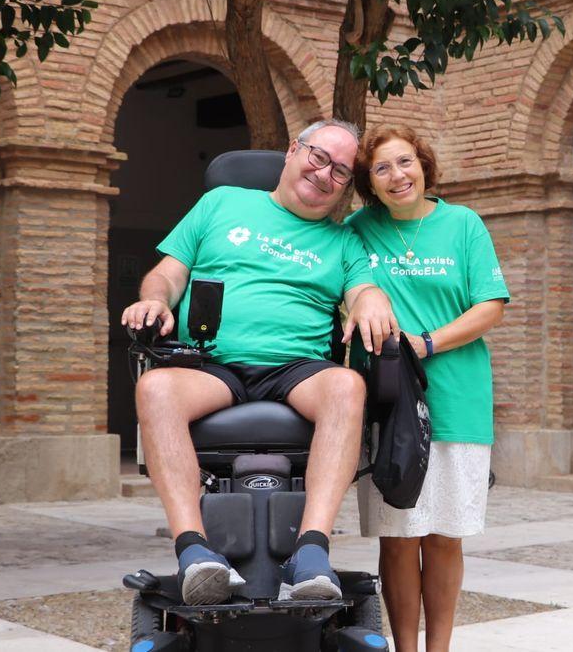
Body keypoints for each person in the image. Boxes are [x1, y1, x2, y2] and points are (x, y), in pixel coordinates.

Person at [120, 119, 398, 606]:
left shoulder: (343, 242)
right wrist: (157, 300)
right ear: (293, 151)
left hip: (297, 369)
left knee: (347, 386)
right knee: (155, 387)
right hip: (211, 364)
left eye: (340, 172)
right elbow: (167, 272)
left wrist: (372, 299)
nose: (324, 174)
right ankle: (195, 551)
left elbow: (362, 289)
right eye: (318, 157)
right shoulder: (221, 203)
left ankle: (311, 551)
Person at [347, 125, 509, 652]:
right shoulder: (355, 230)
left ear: (424, 165)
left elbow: (490, 306)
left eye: (406, 162)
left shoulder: (463, 225)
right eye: (383, 168)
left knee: (445, 535)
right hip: (388, 404)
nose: (398, 176)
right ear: (369, 182)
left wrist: (428, 344)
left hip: (457, 397)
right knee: (398, 537)